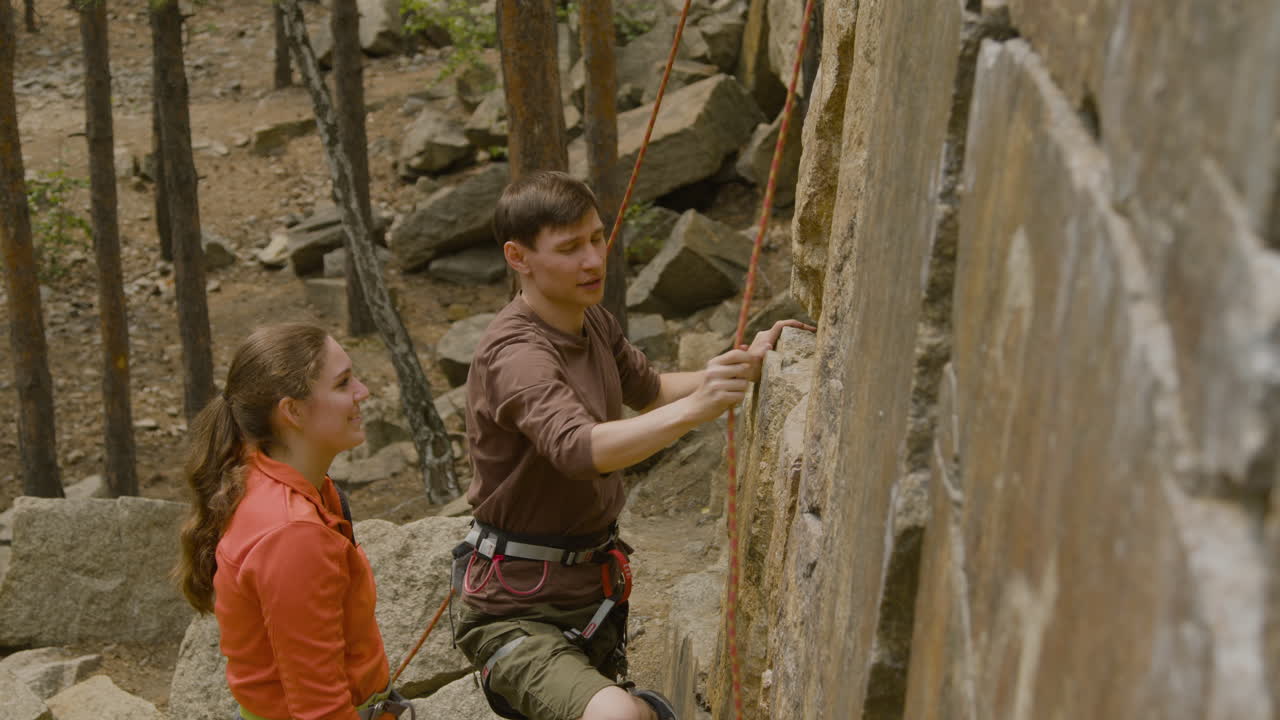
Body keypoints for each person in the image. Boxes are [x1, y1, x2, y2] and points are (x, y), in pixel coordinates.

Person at [453, 171, 814, 720]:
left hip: (587, 596)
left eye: (597, 238)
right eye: (569, 248)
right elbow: (579, 449)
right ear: (517, 257)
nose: (593, 260)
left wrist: (741, 366)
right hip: (516, 614)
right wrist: (700, 408)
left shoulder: (592, 322)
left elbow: (652, 391)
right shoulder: (516, 354)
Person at [173, 323, 409, 720]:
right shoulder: (292, 534)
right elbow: (320, 709)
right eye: (343, 383)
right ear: (293, 411)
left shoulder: (272, 482)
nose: (363, 391)